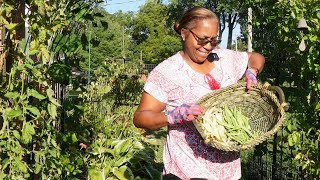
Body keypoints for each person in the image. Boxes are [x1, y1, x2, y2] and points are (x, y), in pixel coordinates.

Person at [133, 6, 265, 180]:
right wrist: (172, 116)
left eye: (213, 40)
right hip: (186, 173)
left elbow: (255, 57)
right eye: (202, 40)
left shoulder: (223, 59)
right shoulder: (167, 72)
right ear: (184, 33)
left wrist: (252, 71)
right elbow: (140, 117)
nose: (208, 47)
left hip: (229, 173)